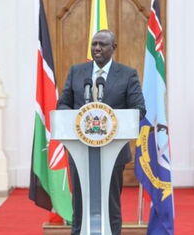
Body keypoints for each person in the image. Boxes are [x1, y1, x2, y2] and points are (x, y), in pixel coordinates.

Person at [57, 29, 146, 235]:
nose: (97, 48)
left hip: (112, 152)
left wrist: (110, 119)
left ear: (113, 48)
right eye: (94, 43)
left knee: (110, 201)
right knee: (79, 202)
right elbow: (63, 105)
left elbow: (139, 110)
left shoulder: (127, 74)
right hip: (80, 150)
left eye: (102, 44)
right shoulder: (76, 72)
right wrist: (76, 118)